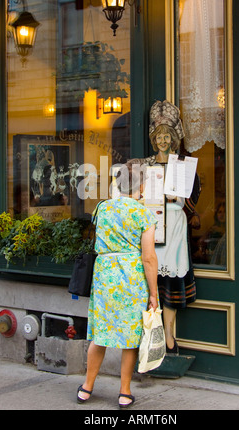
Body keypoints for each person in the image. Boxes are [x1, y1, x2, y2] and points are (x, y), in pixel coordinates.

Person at [77, 162, 158, 409]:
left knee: (99, 335)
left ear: (117, 184)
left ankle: (87, 387)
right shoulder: (144, 214)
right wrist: (154, 294)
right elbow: (148, 257)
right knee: (130, 338)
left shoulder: (102, 208)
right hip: (131, 279)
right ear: (141, 186)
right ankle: (124, 391)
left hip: (104, 278)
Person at [142, 100, 200, 353]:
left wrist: (177, 198)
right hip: (153, 227)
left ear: (173, 139)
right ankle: (150, 336)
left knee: (170, 285)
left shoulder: (183, 166)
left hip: (175, 229)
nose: (163, 141)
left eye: (167, 136)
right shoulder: (146, 164)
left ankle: (168, 335)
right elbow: (136, 195)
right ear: (154, 141)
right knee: (151, 284)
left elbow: (193, 199)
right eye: (159, 137)